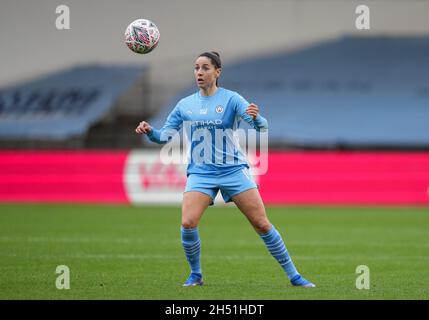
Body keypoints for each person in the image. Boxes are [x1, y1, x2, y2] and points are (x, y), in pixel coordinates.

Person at [135, 51, 315, 288]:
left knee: (261, 223)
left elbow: (260, 126)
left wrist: (257, 117)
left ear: (217, 72)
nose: (199, 72)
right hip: (201, 173)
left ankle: (294, 276)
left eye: (205, 68)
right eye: (196, 68)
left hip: (233, 170)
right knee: (188, 223)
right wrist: (150, 132)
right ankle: (195, 274)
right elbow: (163, 136)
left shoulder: (232, 99)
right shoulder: (185, 104)